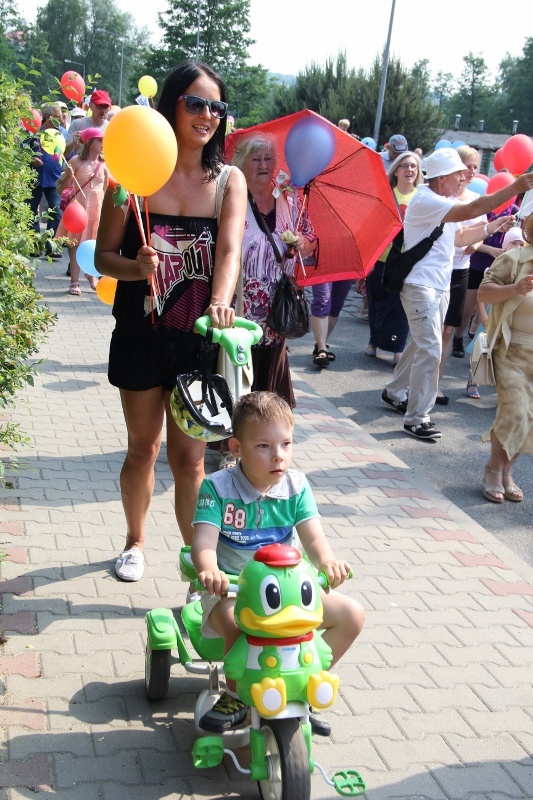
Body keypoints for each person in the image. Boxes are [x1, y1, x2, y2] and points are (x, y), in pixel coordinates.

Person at [95, 61, 247, 581]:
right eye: (196, 103)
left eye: (217, 107)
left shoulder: (229, 181)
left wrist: (221, 300)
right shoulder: (132, 176)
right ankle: (134, 541)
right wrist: (134, 266)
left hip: (196, 342)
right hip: (140, 336)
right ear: (172, 105)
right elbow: (102, 257)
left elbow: (229, 252)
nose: (208, 116)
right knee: (143, 450)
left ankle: (197, 563)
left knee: (190, 462)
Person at [191, 391, 366, 733]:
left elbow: (314, 540)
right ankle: (237, 695)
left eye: (286, 444)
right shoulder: (217, 488)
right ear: (236, 448)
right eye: (264, 446)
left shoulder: (296, 486)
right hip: (232, 590)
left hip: (288, 594)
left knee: (352, 615)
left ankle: (300, 687)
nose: (278, 456)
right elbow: (204, 542)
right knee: (241, 626)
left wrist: (328, 562)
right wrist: (208, 569)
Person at [381, 148, 533, 441]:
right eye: (458, 173)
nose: (464, 177)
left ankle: (394, 390)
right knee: (430, 348)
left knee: (421, 345)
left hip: (438, 286)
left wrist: (492, 227)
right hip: (420, 286)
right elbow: (468, 212)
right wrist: (514, 188)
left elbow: (460, 238)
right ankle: (416, 418)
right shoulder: (427, 199)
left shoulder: (442, 201)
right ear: (441, 178)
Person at [230, 132, 317, 408]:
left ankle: (260, 441)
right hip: (238, 308)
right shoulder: (230, 199)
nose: (263, 165)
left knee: (267, 378)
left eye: (269, 158)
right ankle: (230, 441)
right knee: (236, 373)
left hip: (276, 313)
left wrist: (303, 243)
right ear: (240, 162)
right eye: (255, 159)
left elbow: (311, 241)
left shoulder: (290, 202)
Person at [435, 146, 509, 405]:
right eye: (466, 165)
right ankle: (414, 380)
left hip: (460, 271)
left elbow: (477, 235)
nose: (470, 171)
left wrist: (479, 241)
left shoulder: (474, 201)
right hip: (435, 271)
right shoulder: (440, 197)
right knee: (431, 332)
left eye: (475, 167)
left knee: (447, 331)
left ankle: (435, 384)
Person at [477, 216, 533, 503]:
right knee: (515, 411)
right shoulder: (514, 259)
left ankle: (507, 473)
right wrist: (515, 289)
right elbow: (484, 293)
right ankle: (493, 469)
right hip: (513, 350)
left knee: (529, 419)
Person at [365, 151, 422, 364]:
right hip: (381, 258)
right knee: (377, 302)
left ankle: (398, 347)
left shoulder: (421, 197)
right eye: (405, 166)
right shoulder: (385, 195)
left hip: (408, 262)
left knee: (399, 306)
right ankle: (373, 341)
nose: (409, 170)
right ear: (396, 170)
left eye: (413, 167)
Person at [56, 127, 109, 295]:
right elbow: (61, 188)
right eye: (100, 140)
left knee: (94, 243)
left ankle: (92, 275)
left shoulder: (104, 164)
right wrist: (67, 176)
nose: (103, 143)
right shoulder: (76, 161)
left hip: (97, 208)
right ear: (90, 142)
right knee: (75, 243)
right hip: (79, 208)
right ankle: (74, 281)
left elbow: (107, 190)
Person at [27, 103, 66, 258]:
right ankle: (36, 245)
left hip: (54, 179)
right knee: (31, 211)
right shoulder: (35, 133)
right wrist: (31, 159)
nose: (62, 119)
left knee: (56, 210)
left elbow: (67, 155)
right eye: (58, 117)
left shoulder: (61, 133)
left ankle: (51, 246)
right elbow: (23, 152)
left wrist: (73, 144)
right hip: (35, 177)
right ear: (49, 117)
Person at [310, 280, 353, 367]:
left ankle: (321, 343)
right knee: (322, 301)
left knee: (336, 305)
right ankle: (322, 348)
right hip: (321, 267)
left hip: (346, 267)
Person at [65, 89, 112, 158]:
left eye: (106, 107)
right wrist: (73, 143)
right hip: (80, 167)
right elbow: (64, 155)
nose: (103, 110)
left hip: (103, 167)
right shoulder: (77, 124)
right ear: (91, 106)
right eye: (100, 106)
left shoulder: (112, 127)